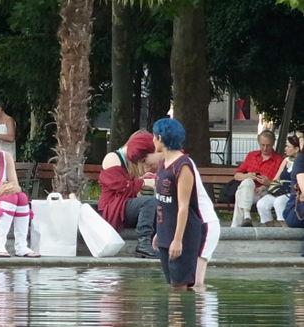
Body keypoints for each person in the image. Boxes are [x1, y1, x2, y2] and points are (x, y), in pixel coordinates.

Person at [152, 119, 219, 288]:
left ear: (160, 138)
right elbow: (164, 203)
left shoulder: (183, 166)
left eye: (154, 136)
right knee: (174, 284)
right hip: (168, 230)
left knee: (192, 283)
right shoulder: (163, 166)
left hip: (197, 226)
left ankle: (199, 312)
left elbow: (183, 206)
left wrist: (177, 239)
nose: (152, 140)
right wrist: (160, 231)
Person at [98, 131, 163, 258]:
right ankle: (143, 244)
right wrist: (143, 182)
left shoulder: (131, 162)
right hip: (112, 208)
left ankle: (158, 244)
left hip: (124, 207)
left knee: (158, 204)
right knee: (149, 202)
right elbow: (119, 185)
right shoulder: (113, 158)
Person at [0, 130, 39, 258]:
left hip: (4, 206)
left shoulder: (6, 157)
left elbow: (18, 188)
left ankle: (21, 246)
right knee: (8, 198)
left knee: (22, 197)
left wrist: (9, 187)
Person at [231, 130, 283, 227]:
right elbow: (237, 175)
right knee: (247, 182)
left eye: (268, 145)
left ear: (273, 144)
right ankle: (246, 217)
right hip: (249, 191)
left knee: (239, 193)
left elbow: (280, 184)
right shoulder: (252, 156)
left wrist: (267, 183)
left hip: (265, 193)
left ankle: (237, 226)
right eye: (262, 145)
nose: (265, 148)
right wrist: (248, 175)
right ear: (258, 142)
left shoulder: (279, 160)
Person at [256, 135, 300, 227]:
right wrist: (265, 186)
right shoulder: (286, 160)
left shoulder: (300, 162)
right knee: (262, 204)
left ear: (296, 149)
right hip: (281, 191)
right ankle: (272, 231)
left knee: (279, 202)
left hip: (293, 192)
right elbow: (276, 178)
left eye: (288, 147)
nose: (285, 149)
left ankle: (286, 230)